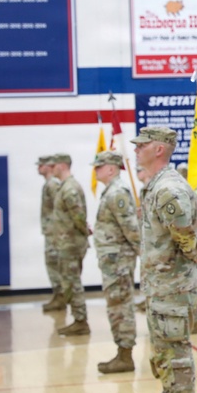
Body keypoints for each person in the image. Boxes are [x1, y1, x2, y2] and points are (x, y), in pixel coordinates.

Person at [131, 126, 197, 393]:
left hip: (173, 287)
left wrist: (195, 253)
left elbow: (184, 232)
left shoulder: (169, 189)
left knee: (174, 351)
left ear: (159, 149)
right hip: (161, 285)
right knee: (162, 351)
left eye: (142, 145)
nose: (136, 150)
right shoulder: (156, 186)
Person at [92, 151, 141, 373]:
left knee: (120, 306)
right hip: (113, 259)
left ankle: (125, 355)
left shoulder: (117, 193)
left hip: (119, 260)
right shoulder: (111, 192)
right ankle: (122, 353)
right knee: (116, 305)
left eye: (99, 166)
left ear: (111, 168)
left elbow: (131, 228)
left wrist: (144, 254)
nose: (96, 170)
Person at [51, 153, 91, 336]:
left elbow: (79, 216)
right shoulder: (65, 187)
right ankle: (78, 318)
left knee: (72, 283)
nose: (52, 169)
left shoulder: (70, 189)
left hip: (72, 244)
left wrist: (84, 232)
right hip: (67, 242)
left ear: (62, 166)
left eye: (54, 166)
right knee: (69, 282)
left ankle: (81, 321)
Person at [38, 155, 64, 312]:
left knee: (54, 264)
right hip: (51, 230)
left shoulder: (53, 185)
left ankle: (60, 296)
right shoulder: (49, 184)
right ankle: (57, 295)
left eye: (41, 165)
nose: (38, 168)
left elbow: (59, 208)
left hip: (55, 232)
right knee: (51, 264)